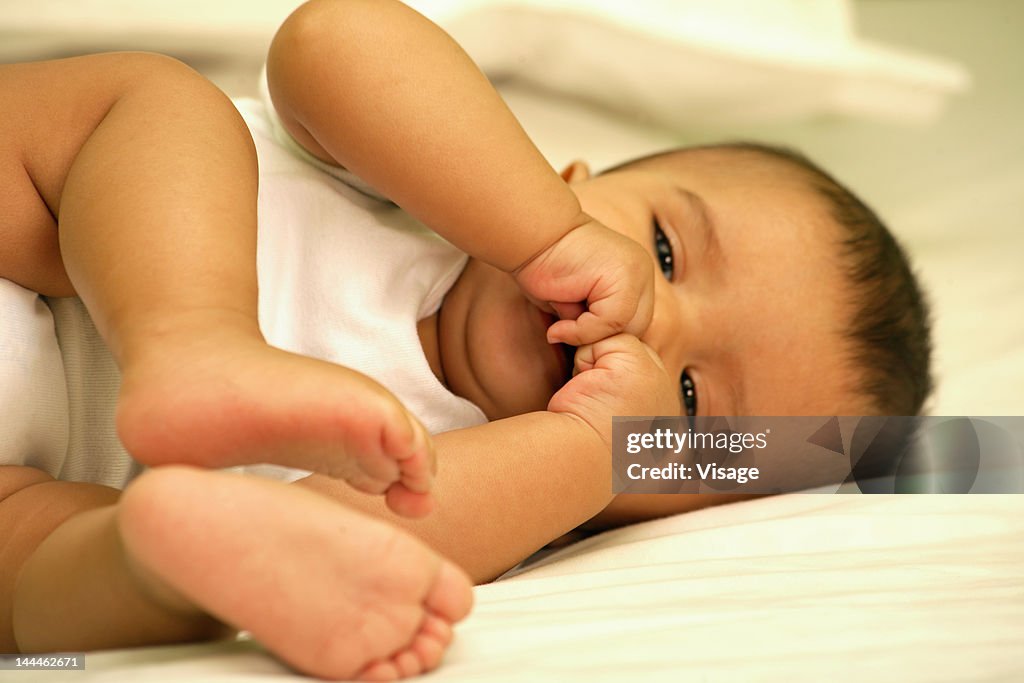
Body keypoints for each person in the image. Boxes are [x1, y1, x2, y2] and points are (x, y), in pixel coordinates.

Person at [0, 0, 932, 680]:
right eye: (663, 248)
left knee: (49, 582)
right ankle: (193, 342)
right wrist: (543, 231)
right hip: (26, 226)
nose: (654, 320)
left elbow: (357, 533)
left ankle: (163, 551)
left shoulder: (510, 478)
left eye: (688, 402)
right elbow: (331, 39)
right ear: (561, 174)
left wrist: (587, 451)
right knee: (156, 105)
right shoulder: (417, 183)